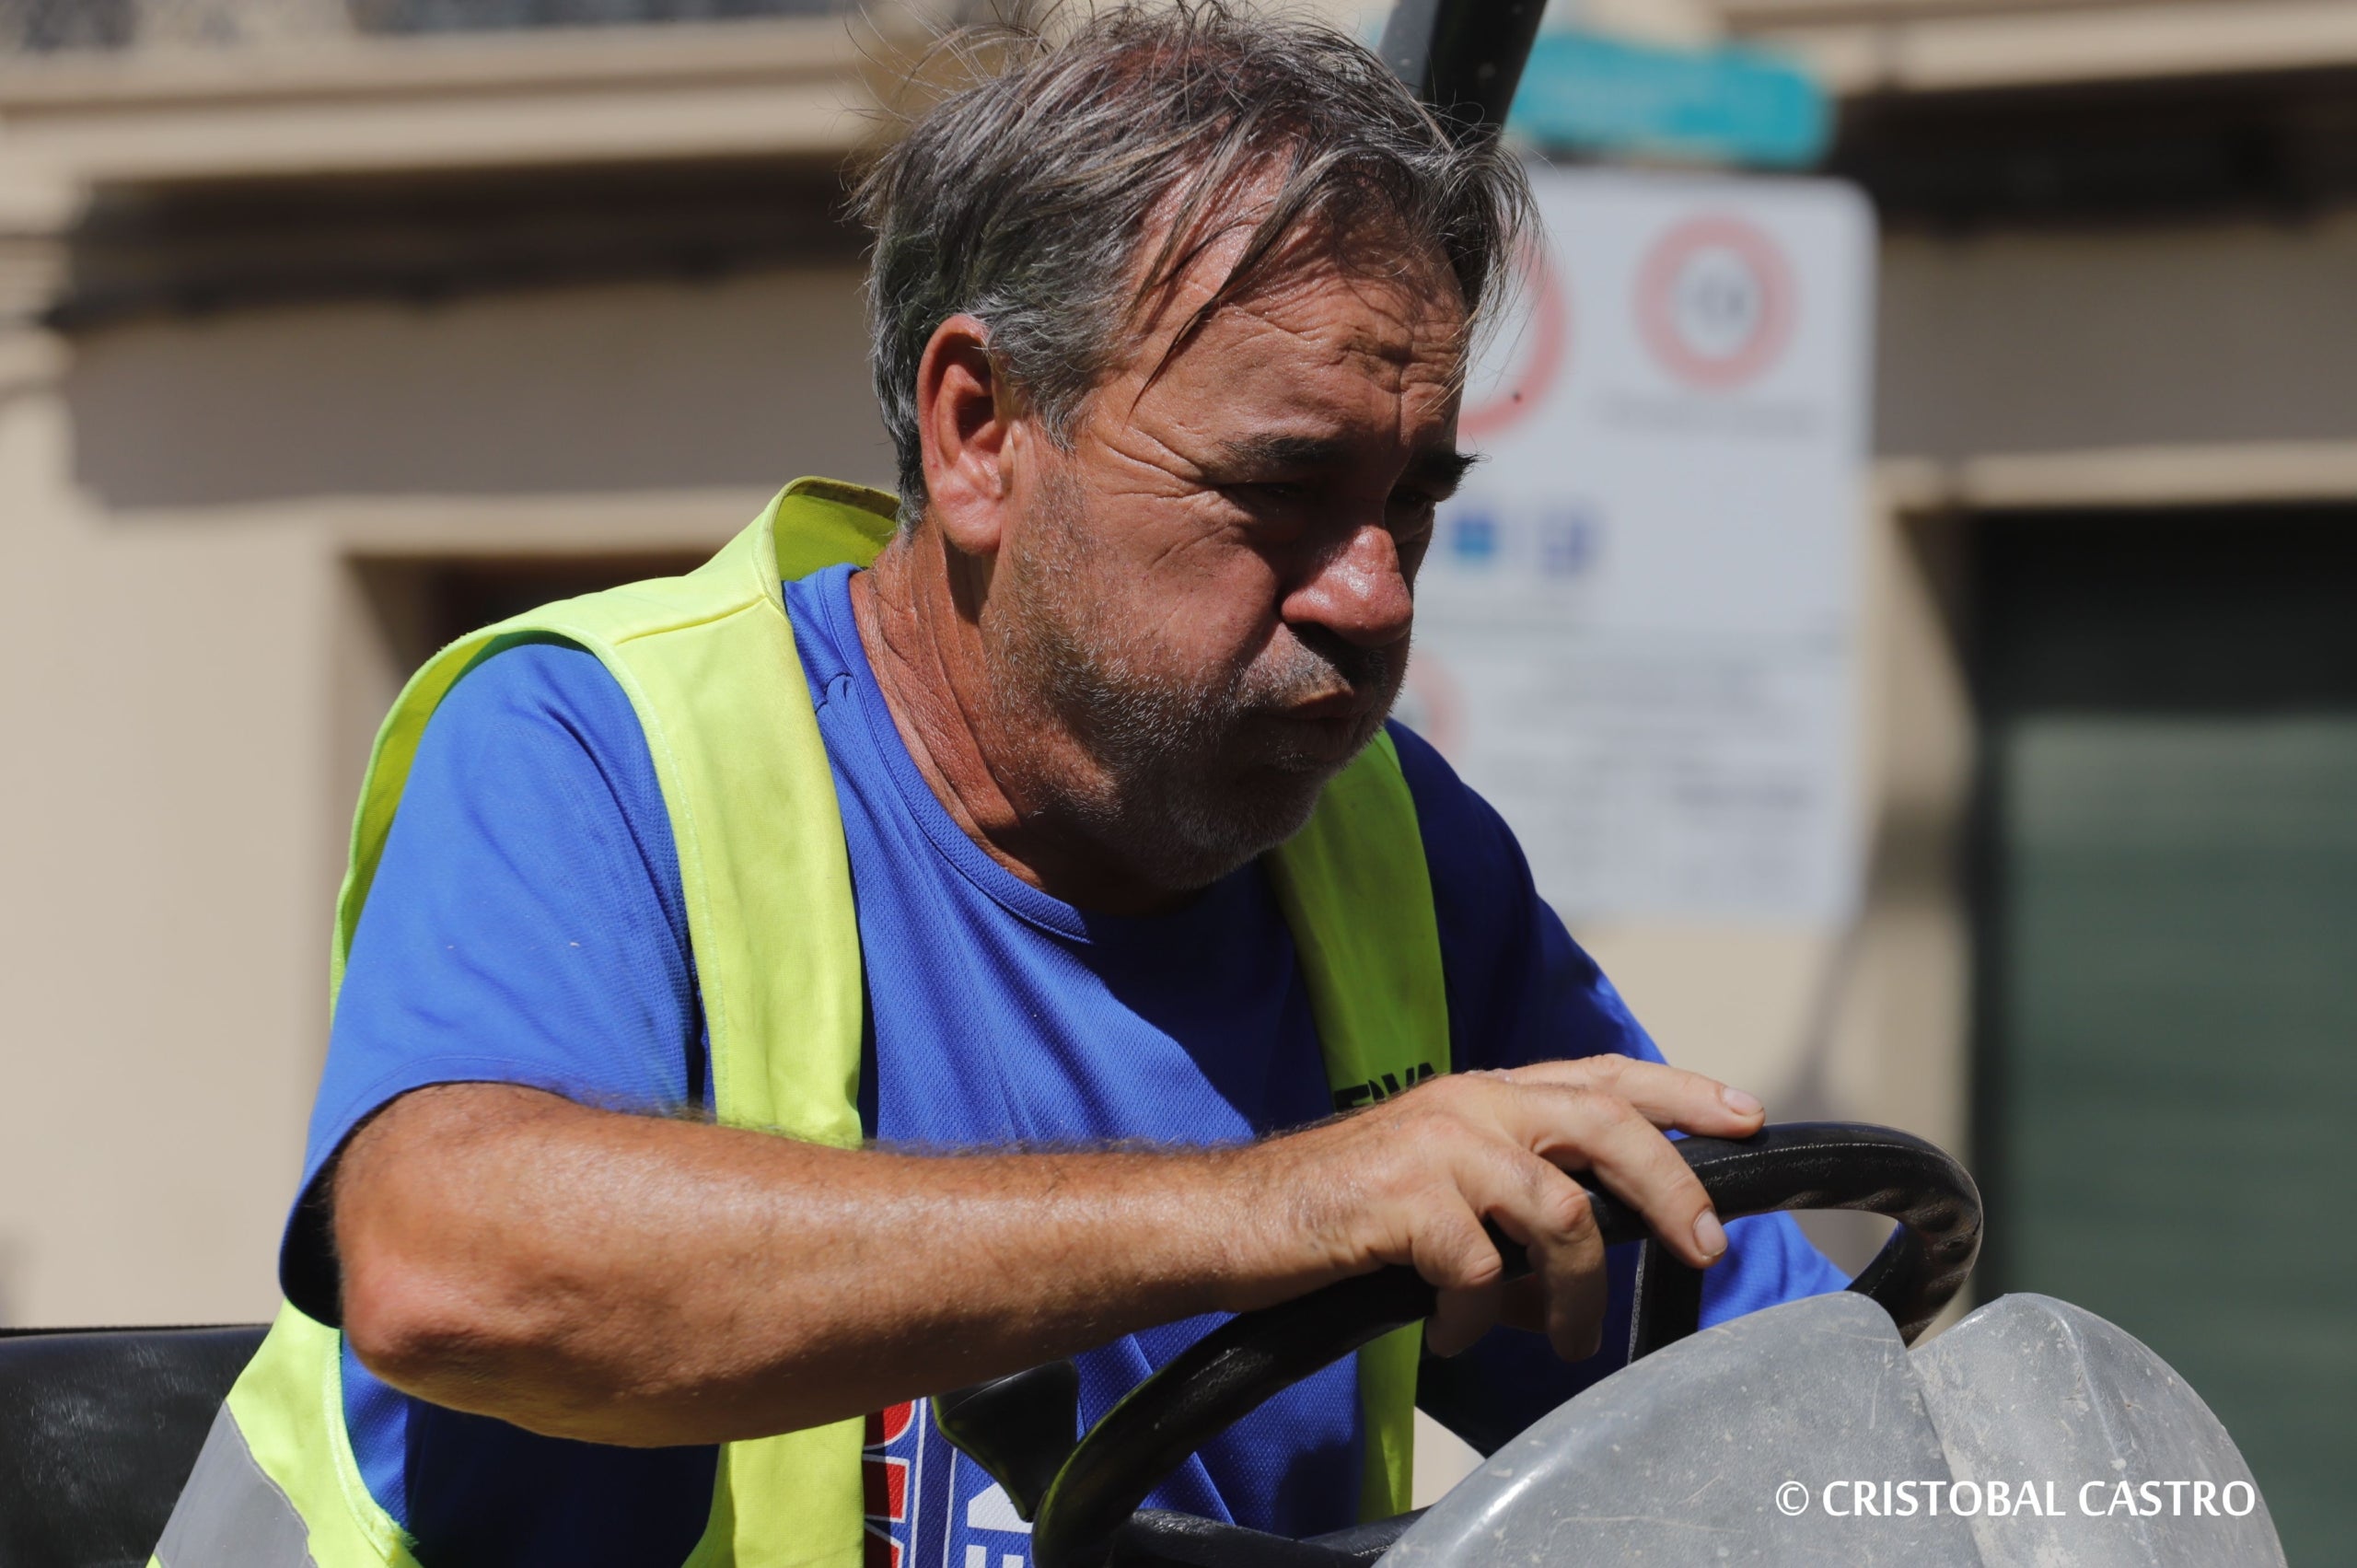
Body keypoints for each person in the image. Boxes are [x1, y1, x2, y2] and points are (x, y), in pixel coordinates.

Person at [155, 6, 1844, 1565]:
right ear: (980, 432)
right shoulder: (598, 743)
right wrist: (1275, 1203)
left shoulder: (1395, 847)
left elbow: (1787, 1415)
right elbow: (450, 1265)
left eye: (1411, 500)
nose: (1375, 593)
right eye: (1282, 487)